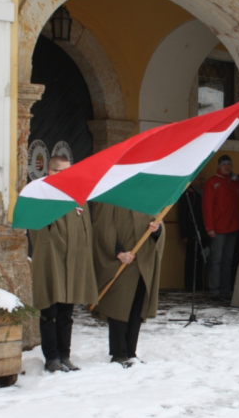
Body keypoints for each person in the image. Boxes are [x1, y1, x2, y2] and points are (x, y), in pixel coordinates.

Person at [29, 155, 98, 373]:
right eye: (62, 170)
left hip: (73, 262)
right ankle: (51, 358)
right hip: (51, 261)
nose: (68, 174)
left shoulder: (77, 197)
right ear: (51, 172)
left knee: (67, 313)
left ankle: (64, 355)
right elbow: (36, 230)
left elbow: (85, 229)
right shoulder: (40, 194)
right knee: (49, 310)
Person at [92, 204, 165, 367]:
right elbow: (102, 229)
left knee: (137, 308)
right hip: (122, 261)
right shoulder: (113, 198)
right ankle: (119, 352)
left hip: (143, 262)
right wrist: (118, 253)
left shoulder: (148, 200)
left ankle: (131, 351)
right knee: (118, 306)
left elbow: (159, 226)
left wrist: (157, 230)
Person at [202, 154, 239, 301]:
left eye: (229, 164)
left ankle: (226, 290)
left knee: (228, 261)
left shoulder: (236, 182)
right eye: (224, 164)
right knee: (216, 260)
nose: (227, 167)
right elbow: (207, 207)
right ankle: (214, 289)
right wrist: (209, 227)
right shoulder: (212, 182)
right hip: (218, 228)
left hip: (233, 227)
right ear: (219, 166)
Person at [178, 174, 209, 292]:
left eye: (203, 179)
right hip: (191, 233)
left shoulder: (204, 193)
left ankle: (200, 285)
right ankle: (190, 286)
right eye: (199, 179)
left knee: (201, 260)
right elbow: (182, 215)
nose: (202, 182)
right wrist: (184, 234)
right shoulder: (188, 194)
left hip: (203, 232)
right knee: (192, 260)